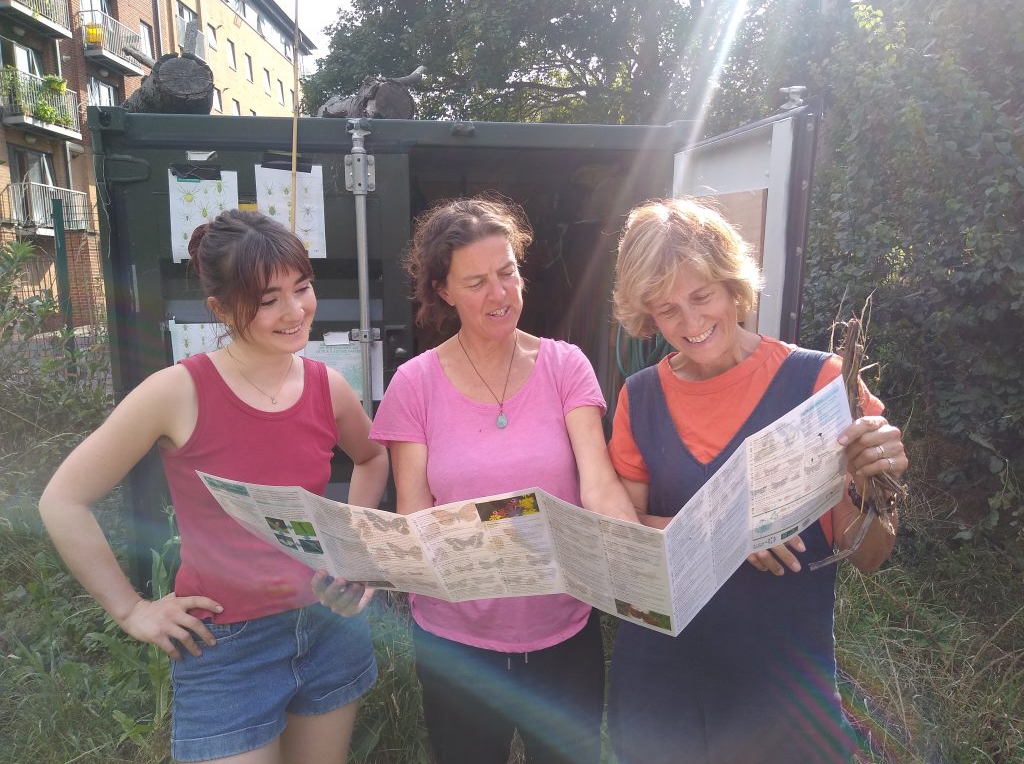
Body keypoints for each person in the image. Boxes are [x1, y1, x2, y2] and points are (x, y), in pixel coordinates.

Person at [39, 210, 389, 764]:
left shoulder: (329, 386)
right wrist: (131, 611)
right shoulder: (176, 391)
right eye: (268, 299)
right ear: (220, 309)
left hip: (329, 627)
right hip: (225, 645)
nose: (295, 311)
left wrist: (348, 547)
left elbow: (372, 458)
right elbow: (62, 500)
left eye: (302, 288)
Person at [319, 195, 637, 764]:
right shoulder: (415, 385)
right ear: (443, 291)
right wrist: (369, 566)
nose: (500, 294)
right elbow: (416, 517)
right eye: (477, 282)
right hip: (456, 638)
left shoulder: (566, 366)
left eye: (508, 272)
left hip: (564, 627)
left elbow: (599, 482)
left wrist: (634, 549)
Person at [604, 197, 908, 764]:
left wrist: (872, 483)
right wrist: (726, 529)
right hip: (659, 672)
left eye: (702, 297)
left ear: (731, 285)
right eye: (668, 310)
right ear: (647, 314)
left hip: (780, 677)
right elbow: (623, 537)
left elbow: (867, 556)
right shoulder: (639, 397)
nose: (691, 324)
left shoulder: (821, 383)